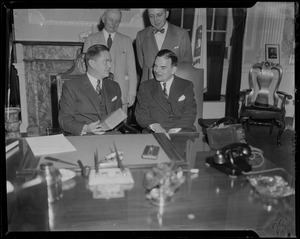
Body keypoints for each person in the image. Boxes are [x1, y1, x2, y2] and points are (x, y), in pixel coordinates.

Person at [59, 44, 123, 136]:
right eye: (106, 62)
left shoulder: (114, 86)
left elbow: (118, 115)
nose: (110, 66)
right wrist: (85, 128)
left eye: (110, 62)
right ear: (92, 63)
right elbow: (64, 119)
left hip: (110, 135)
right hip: (85, 136)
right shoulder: (71, 86)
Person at [83, 9, 137, 114]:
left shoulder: (126, 41)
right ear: (104, 19)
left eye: (117, 21)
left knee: (120, 125)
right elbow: (86, 68)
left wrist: (132, 93)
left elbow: (131, 69)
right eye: (111, 20)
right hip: (97, 91)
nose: (114, 23)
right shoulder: (91, 39)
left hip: (121, 91)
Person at [135, 49, 197, 133]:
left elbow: (190, 113)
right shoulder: (145, 87)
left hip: (182, 131)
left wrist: (175, 130)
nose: (157, 71)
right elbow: (141, 114)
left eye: (162, 67)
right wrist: (155, 126)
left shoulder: (186, 86)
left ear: (173, 70)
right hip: (154, 132)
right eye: (155, 66)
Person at [136, 8, 193, 83]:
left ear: (166, 14)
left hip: (173, 84)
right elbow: (142, 63)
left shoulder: (181, 34)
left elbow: (187, 64)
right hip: (148, 85)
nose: (155, 20)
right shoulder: (141, 35)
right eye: (151, 16)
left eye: (159, 15)